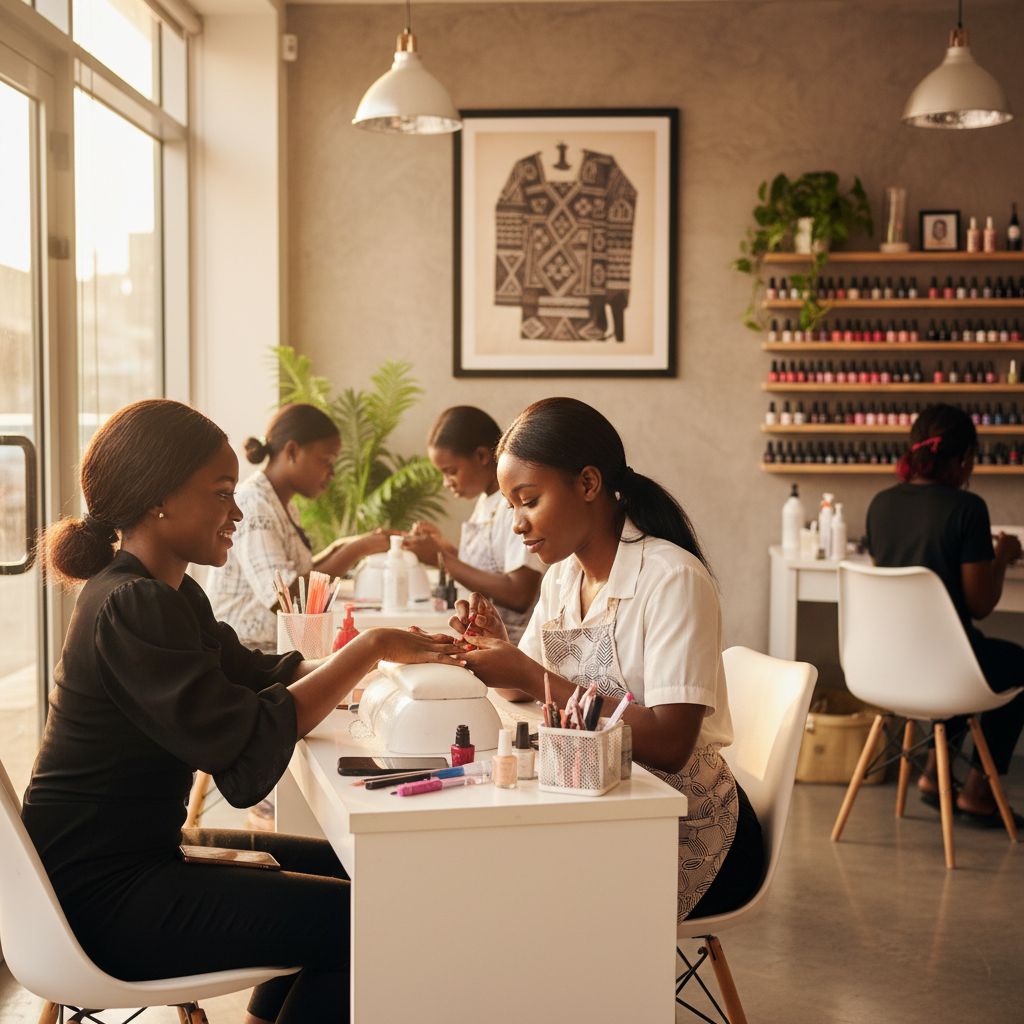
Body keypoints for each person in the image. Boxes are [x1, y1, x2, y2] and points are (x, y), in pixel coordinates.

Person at [22, 399, 460, 1024]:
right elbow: (246, 732)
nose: (238, 510)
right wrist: (370, 648)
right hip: (97, 897)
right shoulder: (131, 605)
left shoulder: (165, 592)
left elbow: (261, 677)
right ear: (159, 499)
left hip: (124, 859)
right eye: (223, 492)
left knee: (351, 867)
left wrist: (381, 671)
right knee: (369, 924)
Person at [442, 397, 764, 922]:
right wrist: (498, 649)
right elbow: (523, 689)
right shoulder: (563, 579)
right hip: (598, 807)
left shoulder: (671, 579)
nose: (518, 525)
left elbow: (669, 743)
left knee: (505, 905)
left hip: (688, 830)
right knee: (479, 882)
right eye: (510, 508)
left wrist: (527, 671)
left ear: (588, 484)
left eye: (529, 500)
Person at [866, 403, 1024, 827]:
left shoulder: (880, 505)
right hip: (946, 667)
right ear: (965, 458)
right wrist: (1003, 555)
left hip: (887, 667)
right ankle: (976, 792)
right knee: (1013, 663)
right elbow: (980, 605)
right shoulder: (967, 510)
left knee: (953, 655)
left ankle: (935, 777)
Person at [206, 403, 393, 654]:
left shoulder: (283, 505)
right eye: (326, 461)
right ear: (292, 451)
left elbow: (300, 575)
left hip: (275, 651)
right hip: (248, 655)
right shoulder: (254, 504)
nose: (332, 473)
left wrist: (349, 546)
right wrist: (357, 550)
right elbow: (287, 599)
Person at [403, 406, 543, 644]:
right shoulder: (484, 501)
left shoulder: (513, 504)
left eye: (451, 471)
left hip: (516, 642)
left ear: (481, 456)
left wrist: (442, 559)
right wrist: (446, 550)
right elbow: (490, 570)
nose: (447, 483)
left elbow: (519, 594)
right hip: (487, 639)